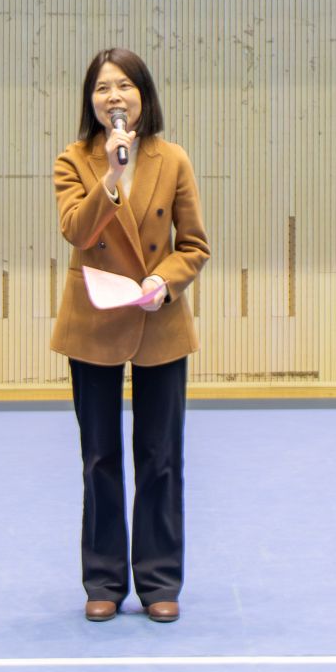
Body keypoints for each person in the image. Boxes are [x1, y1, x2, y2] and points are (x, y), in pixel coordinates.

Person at [51, 48, 211, 623]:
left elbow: (193, 245)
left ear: (143, 95)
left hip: (157, 317)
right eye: (102, 88)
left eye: (123, 85)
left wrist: (164, 282)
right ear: (91, 101)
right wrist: (113, 175)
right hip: (94, 320)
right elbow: (76, 230)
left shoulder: (174, 160)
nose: (113, 96)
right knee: (99, 457)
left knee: (161, 456)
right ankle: (103, 580)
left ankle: (160, 579)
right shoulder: (74, 160)